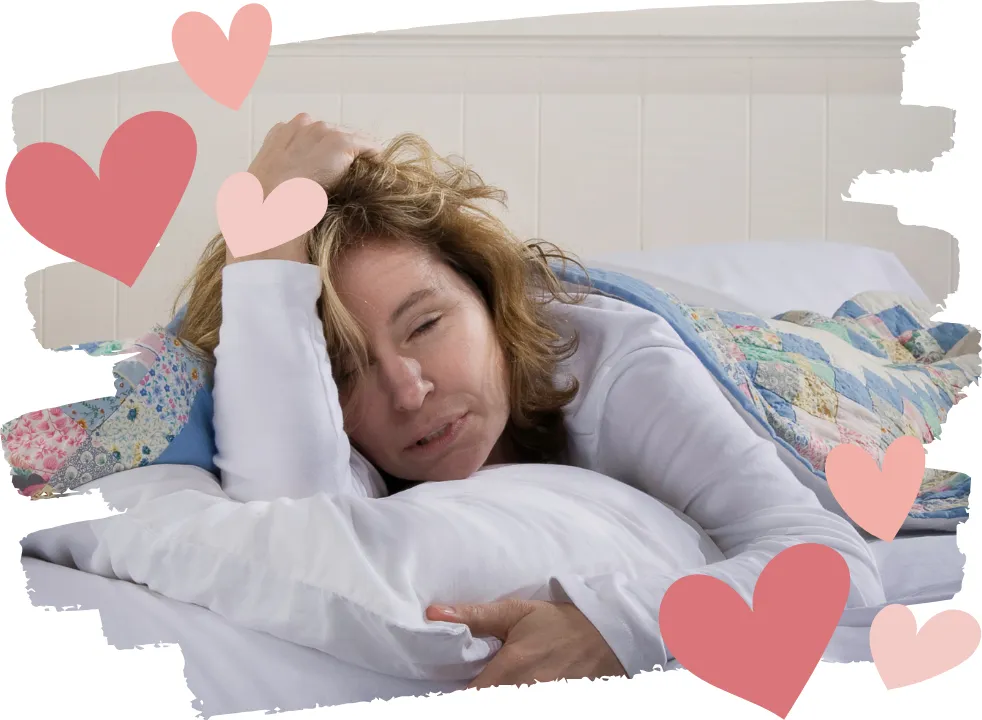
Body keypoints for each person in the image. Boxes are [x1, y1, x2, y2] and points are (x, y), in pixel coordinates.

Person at [174, 113, 886, 690]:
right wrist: (264, 250)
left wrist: (617, 624)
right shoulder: (312, 417)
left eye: (427, 324)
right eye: (345, 370)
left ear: (490, 297)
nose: (406, 389)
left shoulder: (619, 365)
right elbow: (290, 526)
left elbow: (833, 563)